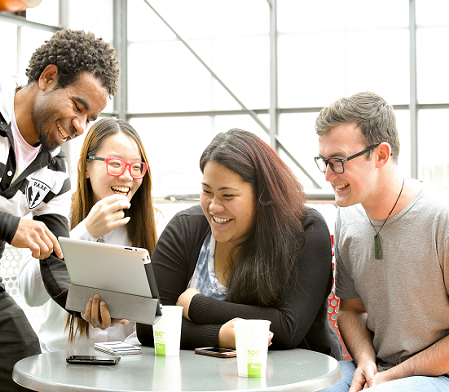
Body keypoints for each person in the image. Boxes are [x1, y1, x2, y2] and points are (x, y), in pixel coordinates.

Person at [0, 29, 119, 391]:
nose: (80, 128)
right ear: (48, 78)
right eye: (78, 107)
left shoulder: (56, 170)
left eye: (90, 118)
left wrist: (84, 305)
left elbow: (55, 258)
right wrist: (9, 226)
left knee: (33, 384)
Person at [314, 92, 449, 392]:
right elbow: (351, 310)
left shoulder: (448, 219)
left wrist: (391, 377)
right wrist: (365, 361)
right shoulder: (348, 217)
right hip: (378, 366)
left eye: (338, 161)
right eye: (324, 161)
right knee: (310, 387)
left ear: (381, 155)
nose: (328, 175)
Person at [137, 128, 343, 357]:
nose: (214, 207)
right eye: (207, 191)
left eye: (228, 196)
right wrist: (219, 336)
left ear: (263, 195)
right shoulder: (185, 229)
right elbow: (149, 325)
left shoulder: (305, 230)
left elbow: (287, 328)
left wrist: (197, 306)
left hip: (304, 378)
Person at [18, 118, 163, 352]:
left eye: (136, 167)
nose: (127, 176)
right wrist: (86, 231)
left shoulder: (153, 223)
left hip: (128, 368)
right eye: (115, 164)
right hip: (61, 364)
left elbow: (160, 310)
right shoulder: (55, 212)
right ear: (85, 167)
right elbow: (30, 295)